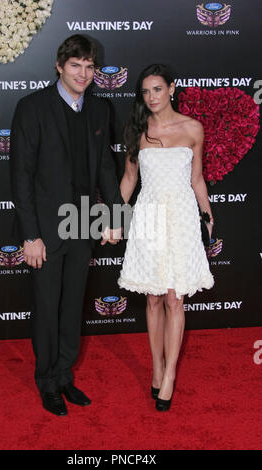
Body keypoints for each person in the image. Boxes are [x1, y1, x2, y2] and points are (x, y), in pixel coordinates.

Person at [10, 35, 123, 416]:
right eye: (76, 65)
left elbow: (106, 168)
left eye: (90, 67)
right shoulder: (32, 107)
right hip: (45, 228)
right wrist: (30, 236)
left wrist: (113, 217)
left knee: (72, 306)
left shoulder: (99, 110)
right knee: (46, 306)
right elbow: (21, 176)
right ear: (60, 66)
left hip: (83, 224)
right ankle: (46, 382)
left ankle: (64, 376)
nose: (84, 74)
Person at [118, 64, 214, 411]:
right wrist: (114, 216)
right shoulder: (138, 131)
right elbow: (129, 180)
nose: (151, 97)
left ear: (172, 89)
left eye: (157, 89)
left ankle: (170, 373)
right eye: (145, 92)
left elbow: (197, 178)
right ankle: (156, 366)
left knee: (175, 299)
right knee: (154, 299)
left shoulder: (192, 128)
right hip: (149, 218)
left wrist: (207, 213)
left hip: (183, 219)